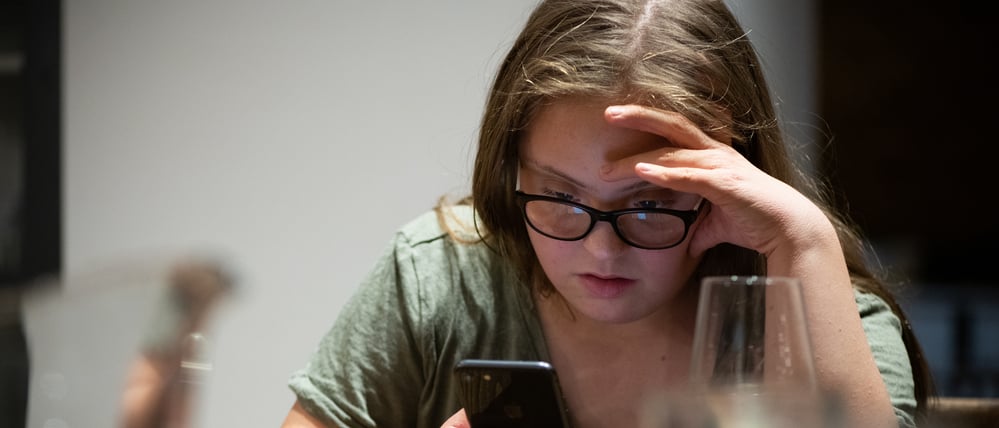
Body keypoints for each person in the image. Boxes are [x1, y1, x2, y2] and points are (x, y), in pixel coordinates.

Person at [281, 0, 934, 427]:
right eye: (561, 197)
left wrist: (805, 241)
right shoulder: (441, 276)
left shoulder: (817, 306)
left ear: (729, 185)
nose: (601, 250)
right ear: (510, 172)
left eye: (649, 205)